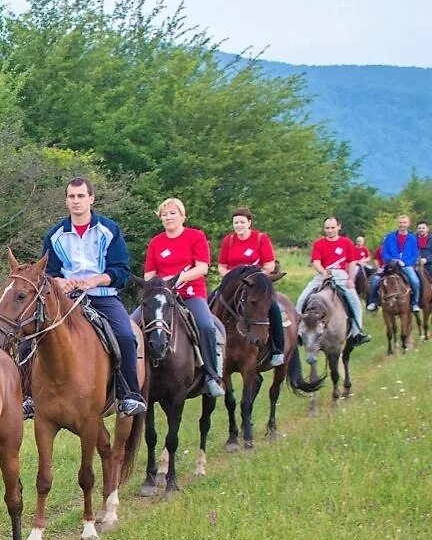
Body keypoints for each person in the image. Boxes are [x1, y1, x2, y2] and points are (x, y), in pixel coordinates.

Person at [24, 176, 146, 419]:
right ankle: (28, 396)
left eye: (81, 196)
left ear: (91, 199)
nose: (76, 201)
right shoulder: (55, 235)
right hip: (65, 300)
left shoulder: (109, 230)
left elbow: (121, 270)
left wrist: (93, 280)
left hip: (102, 296)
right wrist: (61, 282)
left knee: (125, 334)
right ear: (66, 201)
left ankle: (129, 395)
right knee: (30, 332)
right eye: (71, 196)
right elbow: (47, 273)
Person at [144, 198, 225, 397]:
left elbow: (202, 268)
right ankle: (132, 378)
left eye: (173, 213)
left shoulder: (195, 237)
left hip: (190, 294)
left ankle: (211, 376)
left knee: (206, 325)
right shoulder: (156, 242)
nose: (168, 217)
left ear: (182, 216)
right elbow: (148, 275)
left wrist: (176, 279)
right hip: (162, 298)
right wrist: (161, 285)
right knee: (133, 324)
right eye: (164, 214)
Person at [217, 207, 286, 365]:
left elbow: (269, 265)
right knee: (211, 302)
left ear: (249, 223)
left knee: (274, 308)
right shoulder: (228, 240)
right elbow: (222, 266)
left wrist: (254, 277)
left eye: (242, 222)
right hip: (234, 285)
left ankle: (278, 350)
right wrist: (230, 278)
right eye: (236, 222)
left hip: (257, 284)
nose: (239, 225)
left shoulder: (261, 238)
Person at [297, 216, 371, 345]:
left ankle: (357, 332)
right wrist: (323, 272)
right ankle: (297, 331)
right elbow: (316, 262)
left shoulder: (346, 243)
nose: (330, 230)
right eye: (327, 228)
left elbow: (352, 262)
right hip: (323, 274)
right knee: (302, 298)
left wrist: (351, 279)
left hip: (341, 275)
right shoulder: (319, 243)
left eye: (332, 228)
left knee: (355, 302)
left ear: (338, 227)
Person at [369, 214, 422, 312]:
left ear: (408, 224)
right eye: (401, 223)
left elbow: (415, 255)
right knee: (376, 280)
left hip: (406, 265)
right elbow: (384, 253)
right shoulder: (390, 237)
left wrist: (405, 262)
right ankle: (373, 302)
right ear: (398, 224)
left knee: (415, 281)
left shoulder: (413, 238)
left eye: (405, 222)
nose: (402, 225)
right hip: (390, 264)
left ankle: (414, 303)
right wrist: (392, 260)